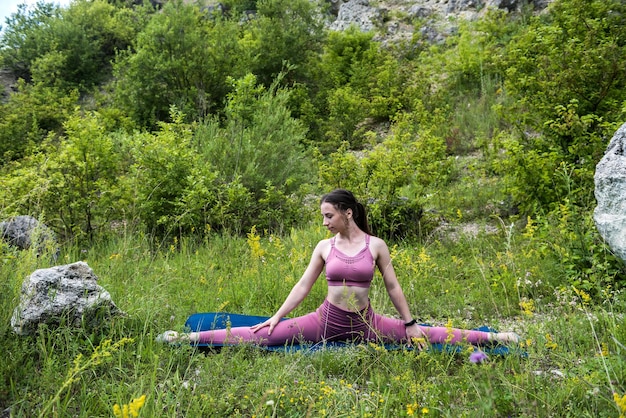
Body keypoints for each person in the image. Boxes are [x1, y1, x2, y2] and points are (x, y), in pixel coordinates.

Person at [157, 189, 519, 349]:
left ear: (347, 212)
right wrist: (276, 316)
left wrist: (409, 323)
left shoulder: (375, 245)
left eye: (328, 215)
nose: (325, 222)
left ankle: (494, 338)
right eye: (322, 216)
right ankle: (187, 339)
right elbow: (302, 286)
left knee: (430, 333)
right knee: (260, 334)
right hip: (324, 321)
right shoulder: (323, 247)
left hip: (367, 325)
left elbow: (393, 287)